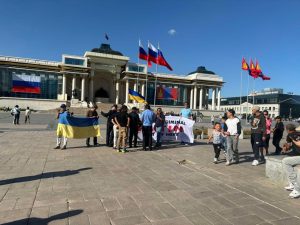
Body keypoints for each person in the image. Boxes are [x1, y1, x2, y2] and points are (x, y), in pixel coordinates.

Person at [281, 124, 300, 198]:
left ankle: (297, 189)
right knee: (285, 161)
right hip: (297, 155)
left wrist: (292, 140)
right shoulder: (293, 134)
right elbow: (288, 146)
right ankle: (293, 183)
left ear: (287, 130)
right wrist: (286, 146)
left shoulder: (292, 135)